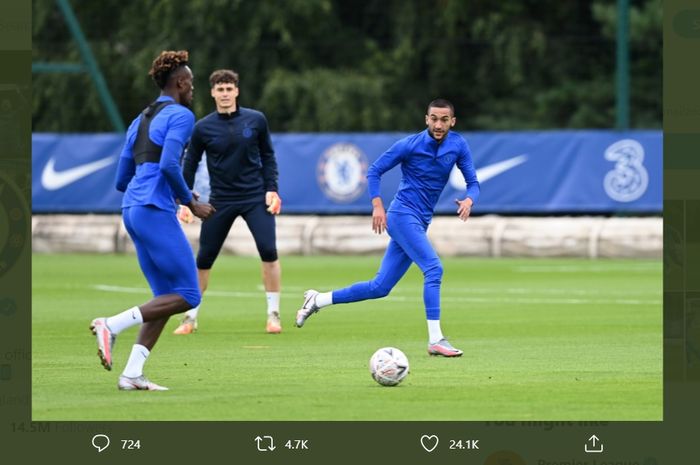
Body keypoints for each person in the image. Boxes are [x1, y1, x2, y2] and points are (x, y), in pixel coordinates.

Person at [295, 99, 480, 357]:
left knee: (379, 288)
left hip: (420, 221)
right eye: (434, 119)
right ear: (426, 119)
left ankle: (317, 300)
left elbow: (473, 182)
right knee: (434, 268)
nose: (439, 124)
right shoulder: (409, 145)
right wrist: (377, 205)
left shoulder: (458, 144)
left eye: (444, 120)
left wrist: (470, 199)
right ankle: (436, 339)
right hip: (402, 215)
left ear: (453, 121)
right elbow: (374, 171)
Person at [90, 50, 215, 390]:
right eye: (190, 84)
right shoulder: (181, 116)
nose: (192, 91)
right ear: (181, 82)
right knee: (190, 295)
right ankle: (111, 324)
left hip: (132, 208)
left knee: (164, 298)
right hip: (152, 209)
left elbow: (121, 177)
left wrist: (153, 189)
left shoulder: (139, 119)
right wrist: (190, 200)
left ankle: (132, 374)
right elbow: (170, 165)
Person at [174, 69, 283, 335]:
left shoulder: (256, 120)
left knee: (269, 251)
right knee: (204, 259)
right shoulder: (203, 127)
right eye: (219, 89)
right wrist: (184, 200)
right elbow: (189, 163)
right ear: (212, 93)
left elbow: (268, 156)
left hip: (255, 197)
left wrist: (272, 189)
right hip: (220, 200)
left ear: (236, 91)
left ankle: (273, 314)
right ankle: (190, 318)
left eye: (228, 88)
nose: (224, 94)